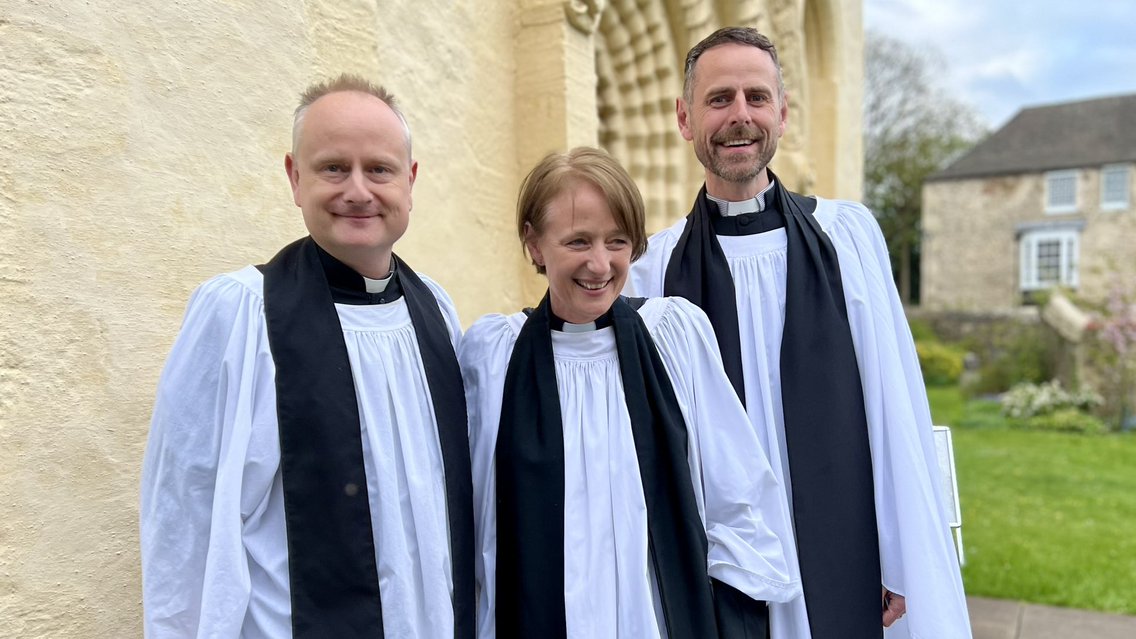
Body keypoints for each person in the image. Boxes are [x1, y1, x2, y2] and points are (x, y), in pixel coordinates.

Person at [624, 27, 972, 639]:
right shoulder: (653, 271)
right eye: (719, 99)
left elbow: (895, 409)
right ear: (684, 117)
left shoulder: (848, 237)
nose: (740, 116)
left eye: (757, 98)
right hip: (725, 568)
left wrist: (900, 552)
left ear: (783, 113)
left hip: (841, 549)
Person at [140, 74, 474, 639]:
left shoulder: (435, 311)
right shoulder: (242, 312)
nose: (359, 190)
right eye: (333, 168)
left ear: (410, 181)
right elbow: (185, 513)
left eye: (380, 169)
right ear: (295, 177)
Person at [459, 147, 801, 639]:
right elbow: (474, 521)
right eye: (578, 241)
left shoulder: (674, 336)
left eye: (617, 241)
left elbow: (738, 492)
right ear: (535, 244)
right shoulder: (494, 357)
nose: (600, 265)